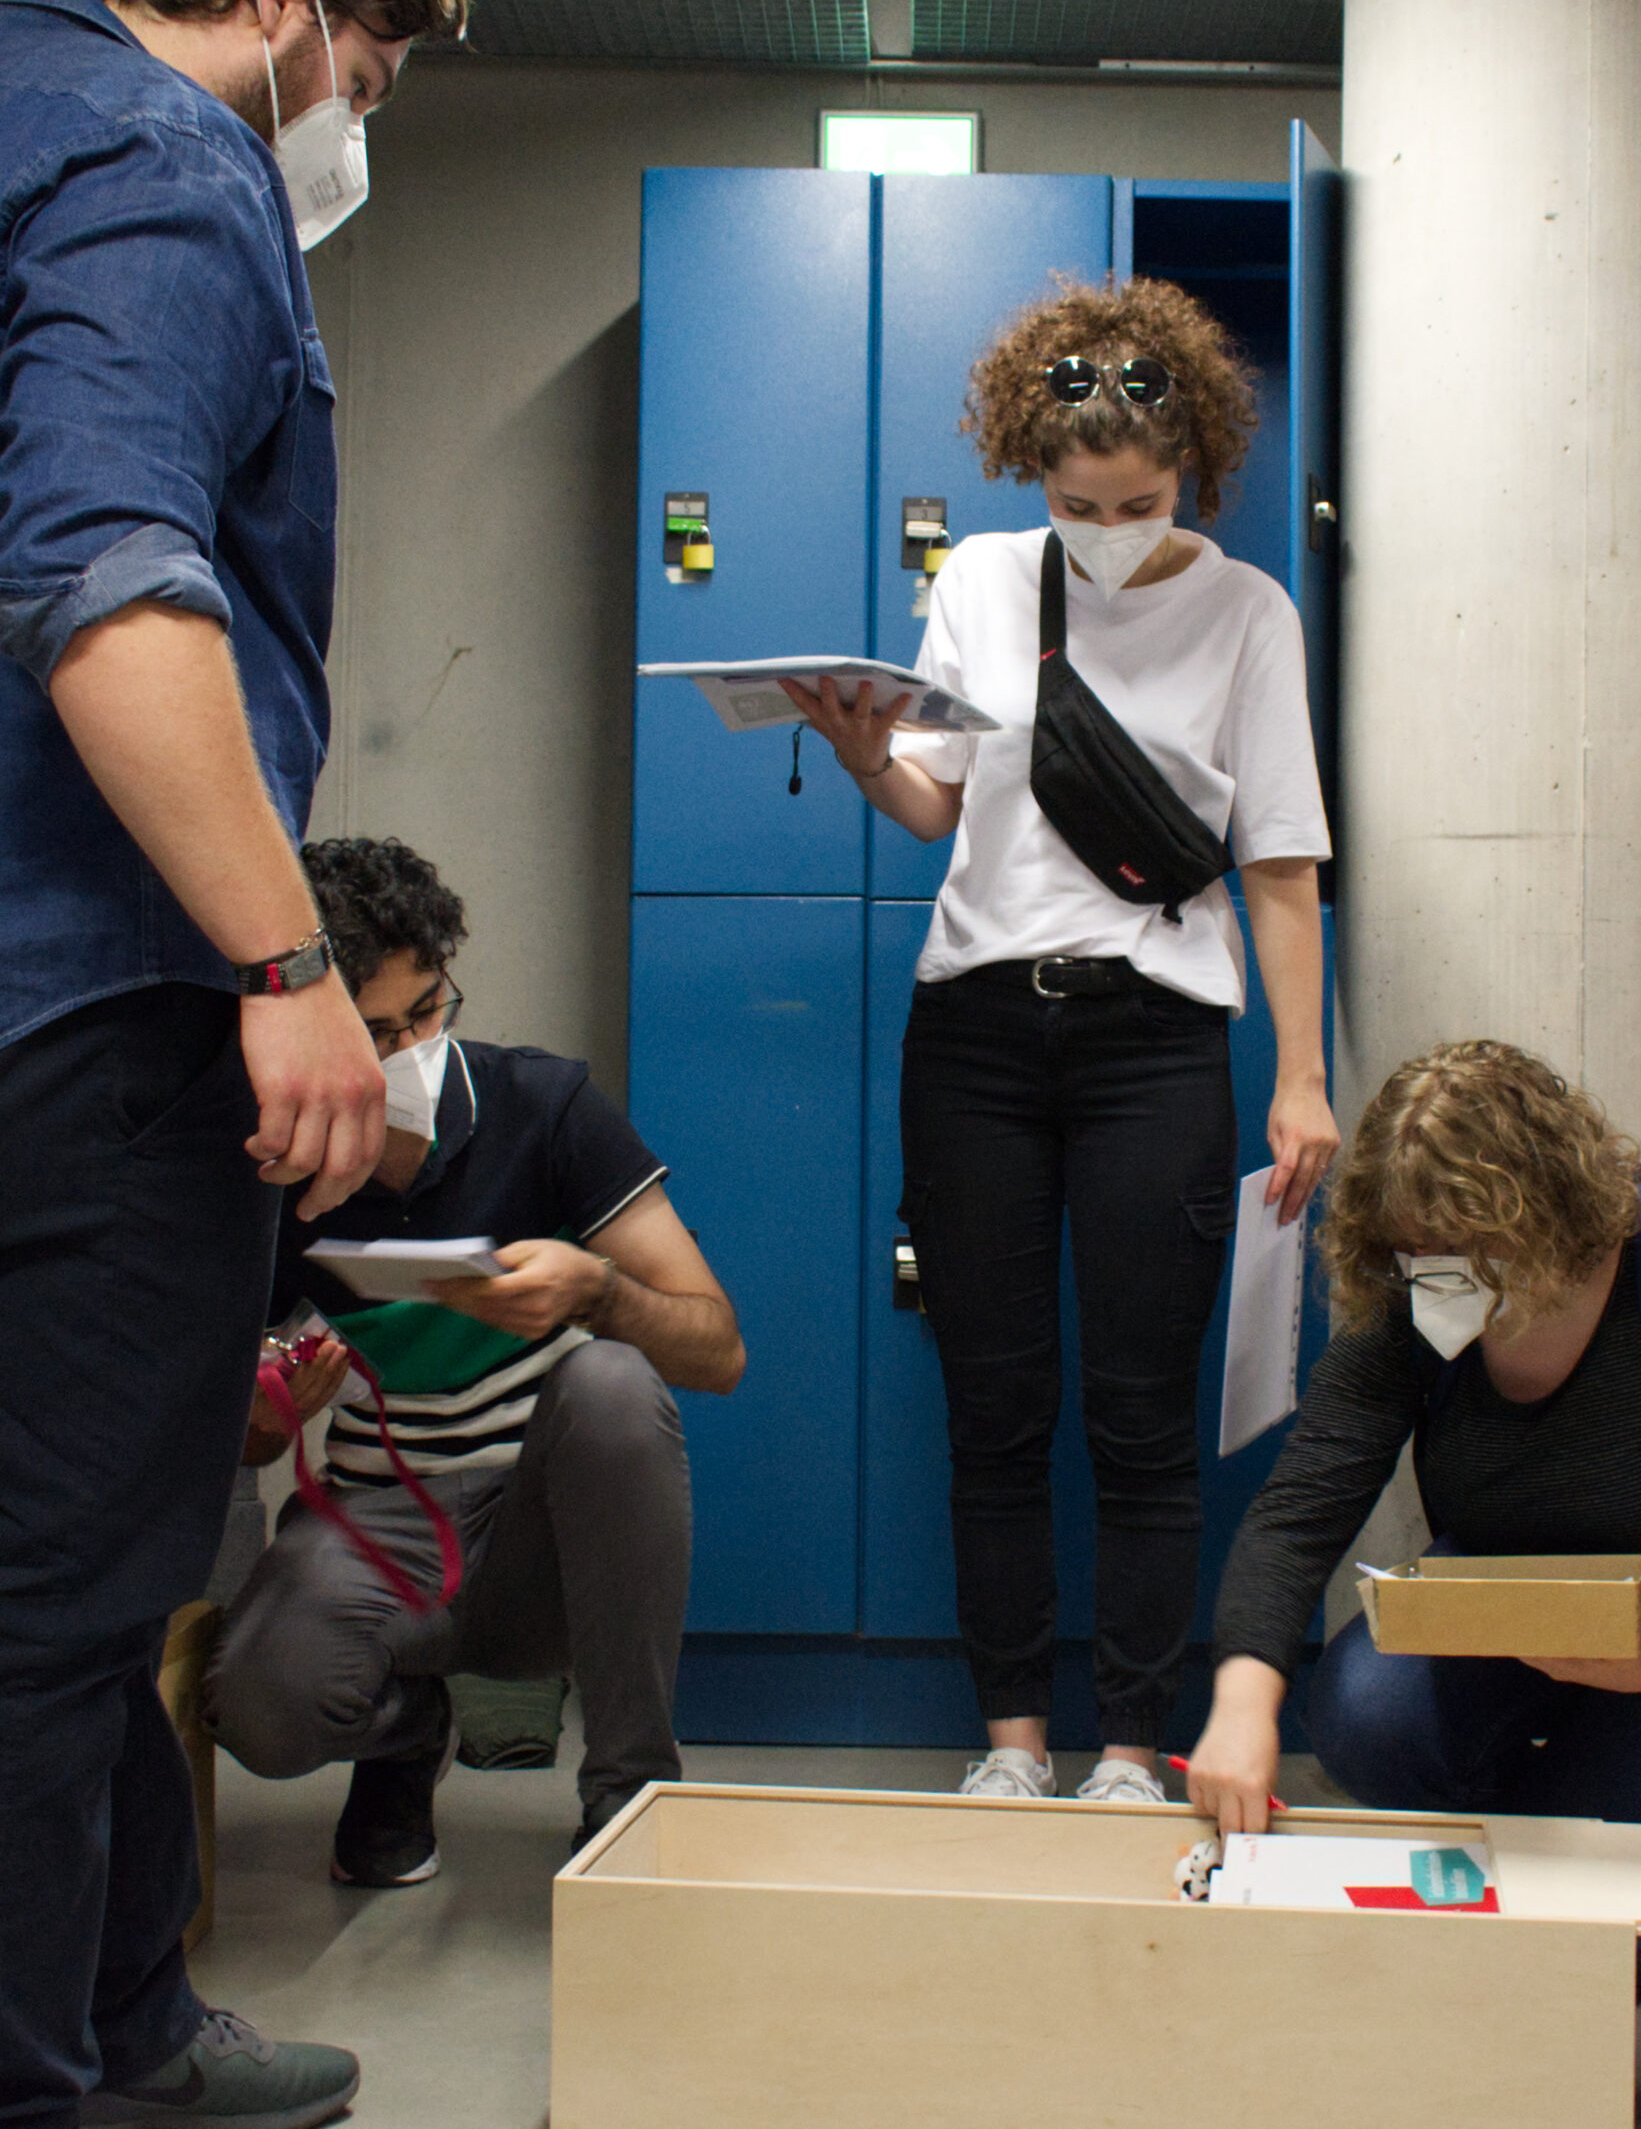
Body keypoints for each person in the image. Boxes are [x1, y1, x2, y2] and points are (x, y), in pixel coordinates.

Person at [0, 0, 465, 2129]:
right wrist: (281, 954)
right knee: (57, 1599)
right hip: (93, 996)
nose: (353, 120)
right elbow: (105, 565)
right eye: (367, 65)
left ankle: (126, 2017)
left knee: (66, 1575)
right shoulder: (172, 164)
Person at [786, 276, 1337, 1806]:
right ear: (1034, 465)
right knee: (995, 1403)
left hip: (1153, 1040)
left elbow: (1280, 864)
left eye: (1137, 498)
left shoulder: (1243, 611)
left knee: (1147, 1415)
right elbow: (942, 806)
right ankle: (1014, 1744)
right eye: (1075, 497)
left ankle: (1130, 1751)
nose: (1103, 523)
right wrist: (856, 753)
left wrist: (1300, 1079)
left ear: (1194, 472)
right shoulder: (980, 577)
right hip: (972, 1031)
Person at [210, 836, 746, 1882]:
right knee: (260, 1708)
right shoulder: (270, 1151)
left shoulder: (542, 1108)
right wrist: (271, 1416)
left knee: (611, 1379)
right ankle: (407, 1737)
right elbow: (238, 1424)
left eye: (430, 1010)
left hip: (540, 1533)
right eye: (373, 1031)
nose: (411, 1047)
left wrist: (597, 1290)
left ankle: (629, 1797)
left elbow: (716, 1348)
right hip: (379, 1522)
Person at [1190, 1040, 1641, 1834]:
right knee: (1365, 1715)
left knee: (1597, 1808)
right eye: (1414, 1251)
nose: (1438, 1274)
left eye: (1468, 1250)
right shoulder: (1411, 1305)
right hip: (1499, 1594)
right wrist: (1239, 1701)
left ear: (1551, 1215)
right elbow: (1300, 1508)